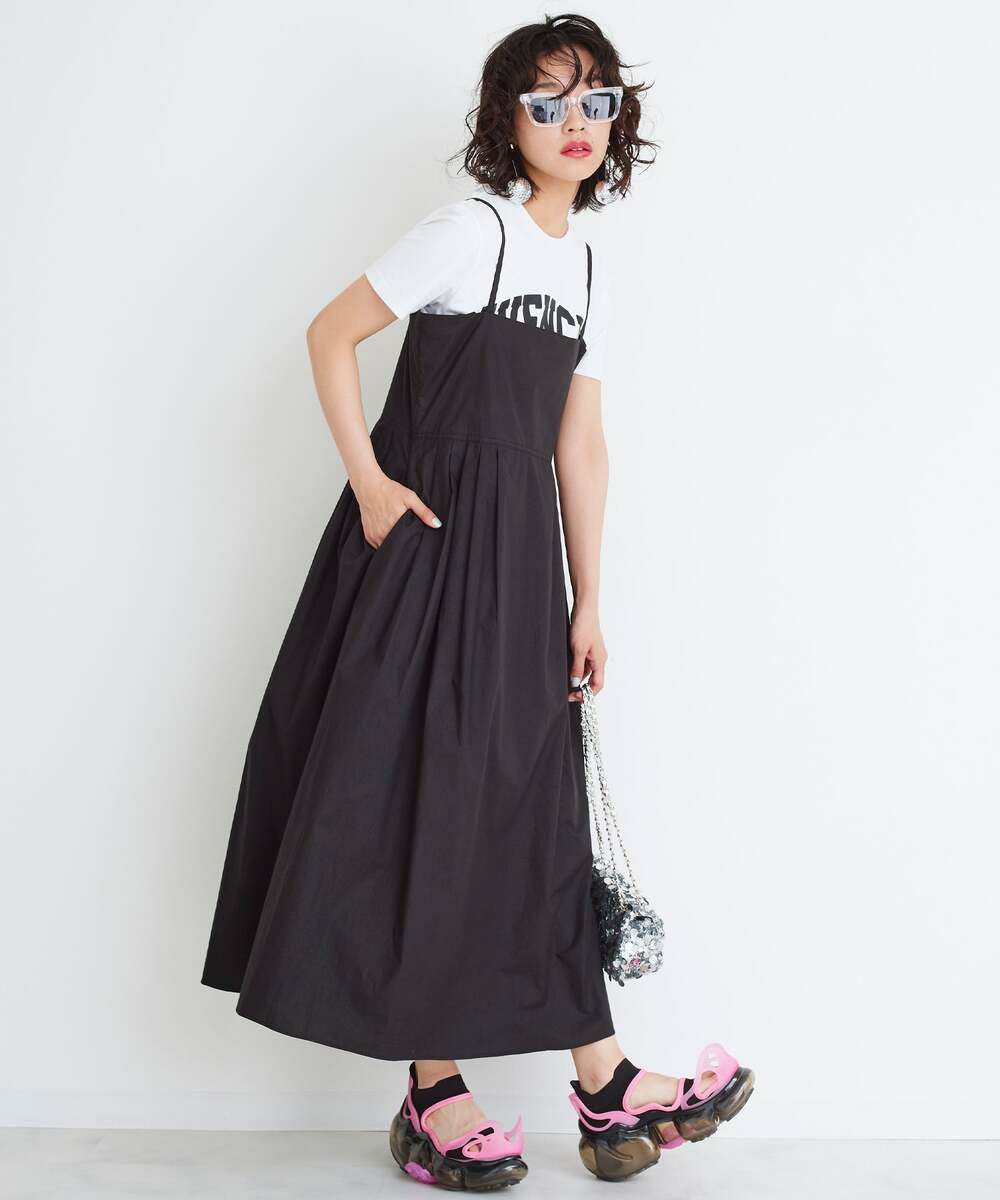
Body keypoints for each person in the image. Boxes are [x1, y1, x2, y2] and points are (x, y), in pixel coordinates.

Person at [201, 13, 753, 1189]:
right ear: (510, 122)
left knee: (523, 809)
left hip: (517, 571)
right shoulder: (471, 232)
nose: (573, 123)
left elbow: (579, 447)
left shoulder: (588, 270)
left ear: (618, 120)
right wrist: (371, 485)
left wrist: (588, 599)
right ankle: (437, 1089)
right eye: (545, 102)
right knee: (419, 800)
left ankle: (600, 1079)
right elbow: (331, 334)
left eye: (594, 100)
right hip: (421, 553)